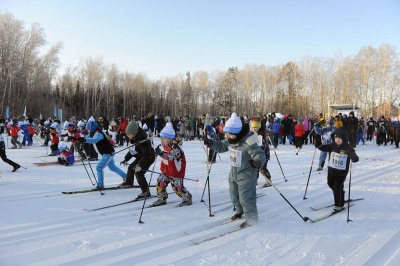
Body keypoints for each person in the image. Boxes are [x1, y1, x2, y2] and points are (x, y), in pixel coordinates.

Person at [204, 112, 266, 228]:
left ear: (237, 133)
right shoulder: (231, 139)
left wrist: (257, 161)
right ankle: (239, 210)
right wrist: (211, 143)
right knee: (234, 195)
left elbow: (260, 154)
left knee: (246, 197)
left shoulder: (248, 143)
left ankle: (251, 217)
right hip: (234, 172)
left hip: (247, 174)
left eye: (229, 134)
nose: (227, 136)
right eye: (226, 134)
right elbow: (221, 146)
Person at [316, 126, 359, 212]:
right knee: (330, 184)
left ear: (344, 138)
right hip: (331, 170)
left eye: (340, 138)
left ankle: (339, 205)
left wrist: (353, 157)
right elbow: (324, 148)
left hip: (341, 173)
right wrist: (319, 144)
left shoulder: (348, 148)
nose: (338, 140)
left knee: (337, 187)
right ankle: (340, 193)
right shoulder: (332, 146)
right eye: (336, 138)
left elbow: (356, 159)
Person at [77, 117, 126, 189]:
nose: (88, 130)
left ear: (92, 128)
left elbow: (94, 140)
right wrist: (76, 139)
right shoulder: (93, 133)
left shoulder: (98, 133)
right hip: (107, 152)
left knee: (99, 167)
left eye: (89, 129)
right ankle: (126, 176)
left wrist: (84, 139)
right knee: (112, 167)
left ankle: (100, 185)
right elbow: (87, 137)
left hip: (108, 153)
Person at [151, 122, 192, 207]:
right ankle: (162, 198)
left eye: (165, 138)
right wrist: (156, 153)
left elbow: (170, 156)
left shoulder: (177, 148)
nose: (163, 140)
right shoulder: (165, 145)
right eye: (162, 138)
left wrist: (161, 153)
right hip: (166, 170)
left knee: (177, 188)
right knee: (160, 182)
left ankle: (187, 198)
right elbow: (163, 154)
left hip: (176, 172)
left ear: (170, 138)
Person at [120, 122, 155, 199]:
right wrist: (126, 159)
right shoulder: (134, 139)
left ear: (134, 133)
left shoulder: (143, 141)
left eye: (129, 134)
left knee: (138, 172)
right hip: (140, 157)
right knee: (130, 168)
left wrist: (139, 165)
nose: (127, 135)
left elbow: (147, 155)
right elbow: (132, 151)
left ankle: (146, 192)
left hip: (148, 158)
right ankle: (129, 182)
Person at [250, 119, 272, 187]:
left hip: (263, 155)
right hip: (255, 155)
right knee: (255, 168)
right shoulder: (252, 134)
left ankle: (268, 180)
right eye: (252, 127)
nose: (253, 129)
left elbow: (261, 146)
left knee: (262, 168)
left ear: (258, 128)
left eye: (255, 127)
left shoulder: (261, 135)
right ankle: (254, 180)